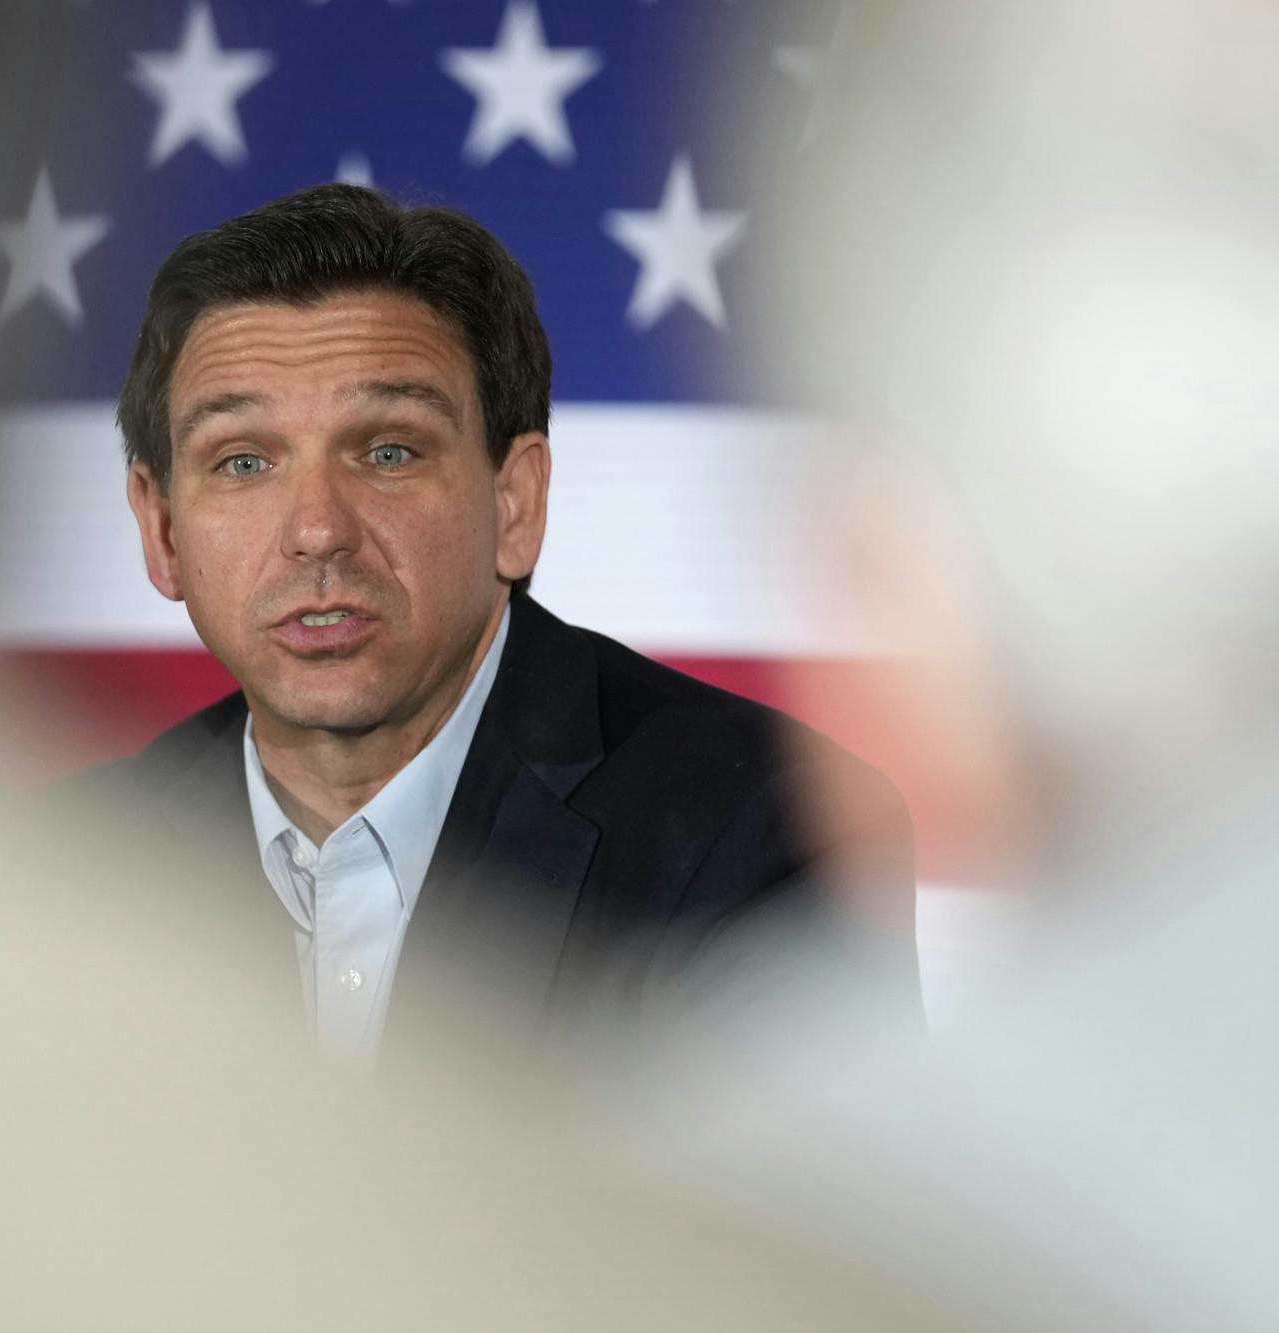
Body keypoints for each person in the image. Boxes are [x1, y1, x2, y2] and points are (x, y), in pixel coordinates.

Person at [71, 183, 920, 1072]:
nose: (317, 530)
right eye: (244, 461)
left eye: (389, 451)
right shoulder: (67, 864)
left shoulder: (765, 831)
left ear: (515, 503)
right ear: (161, 530)